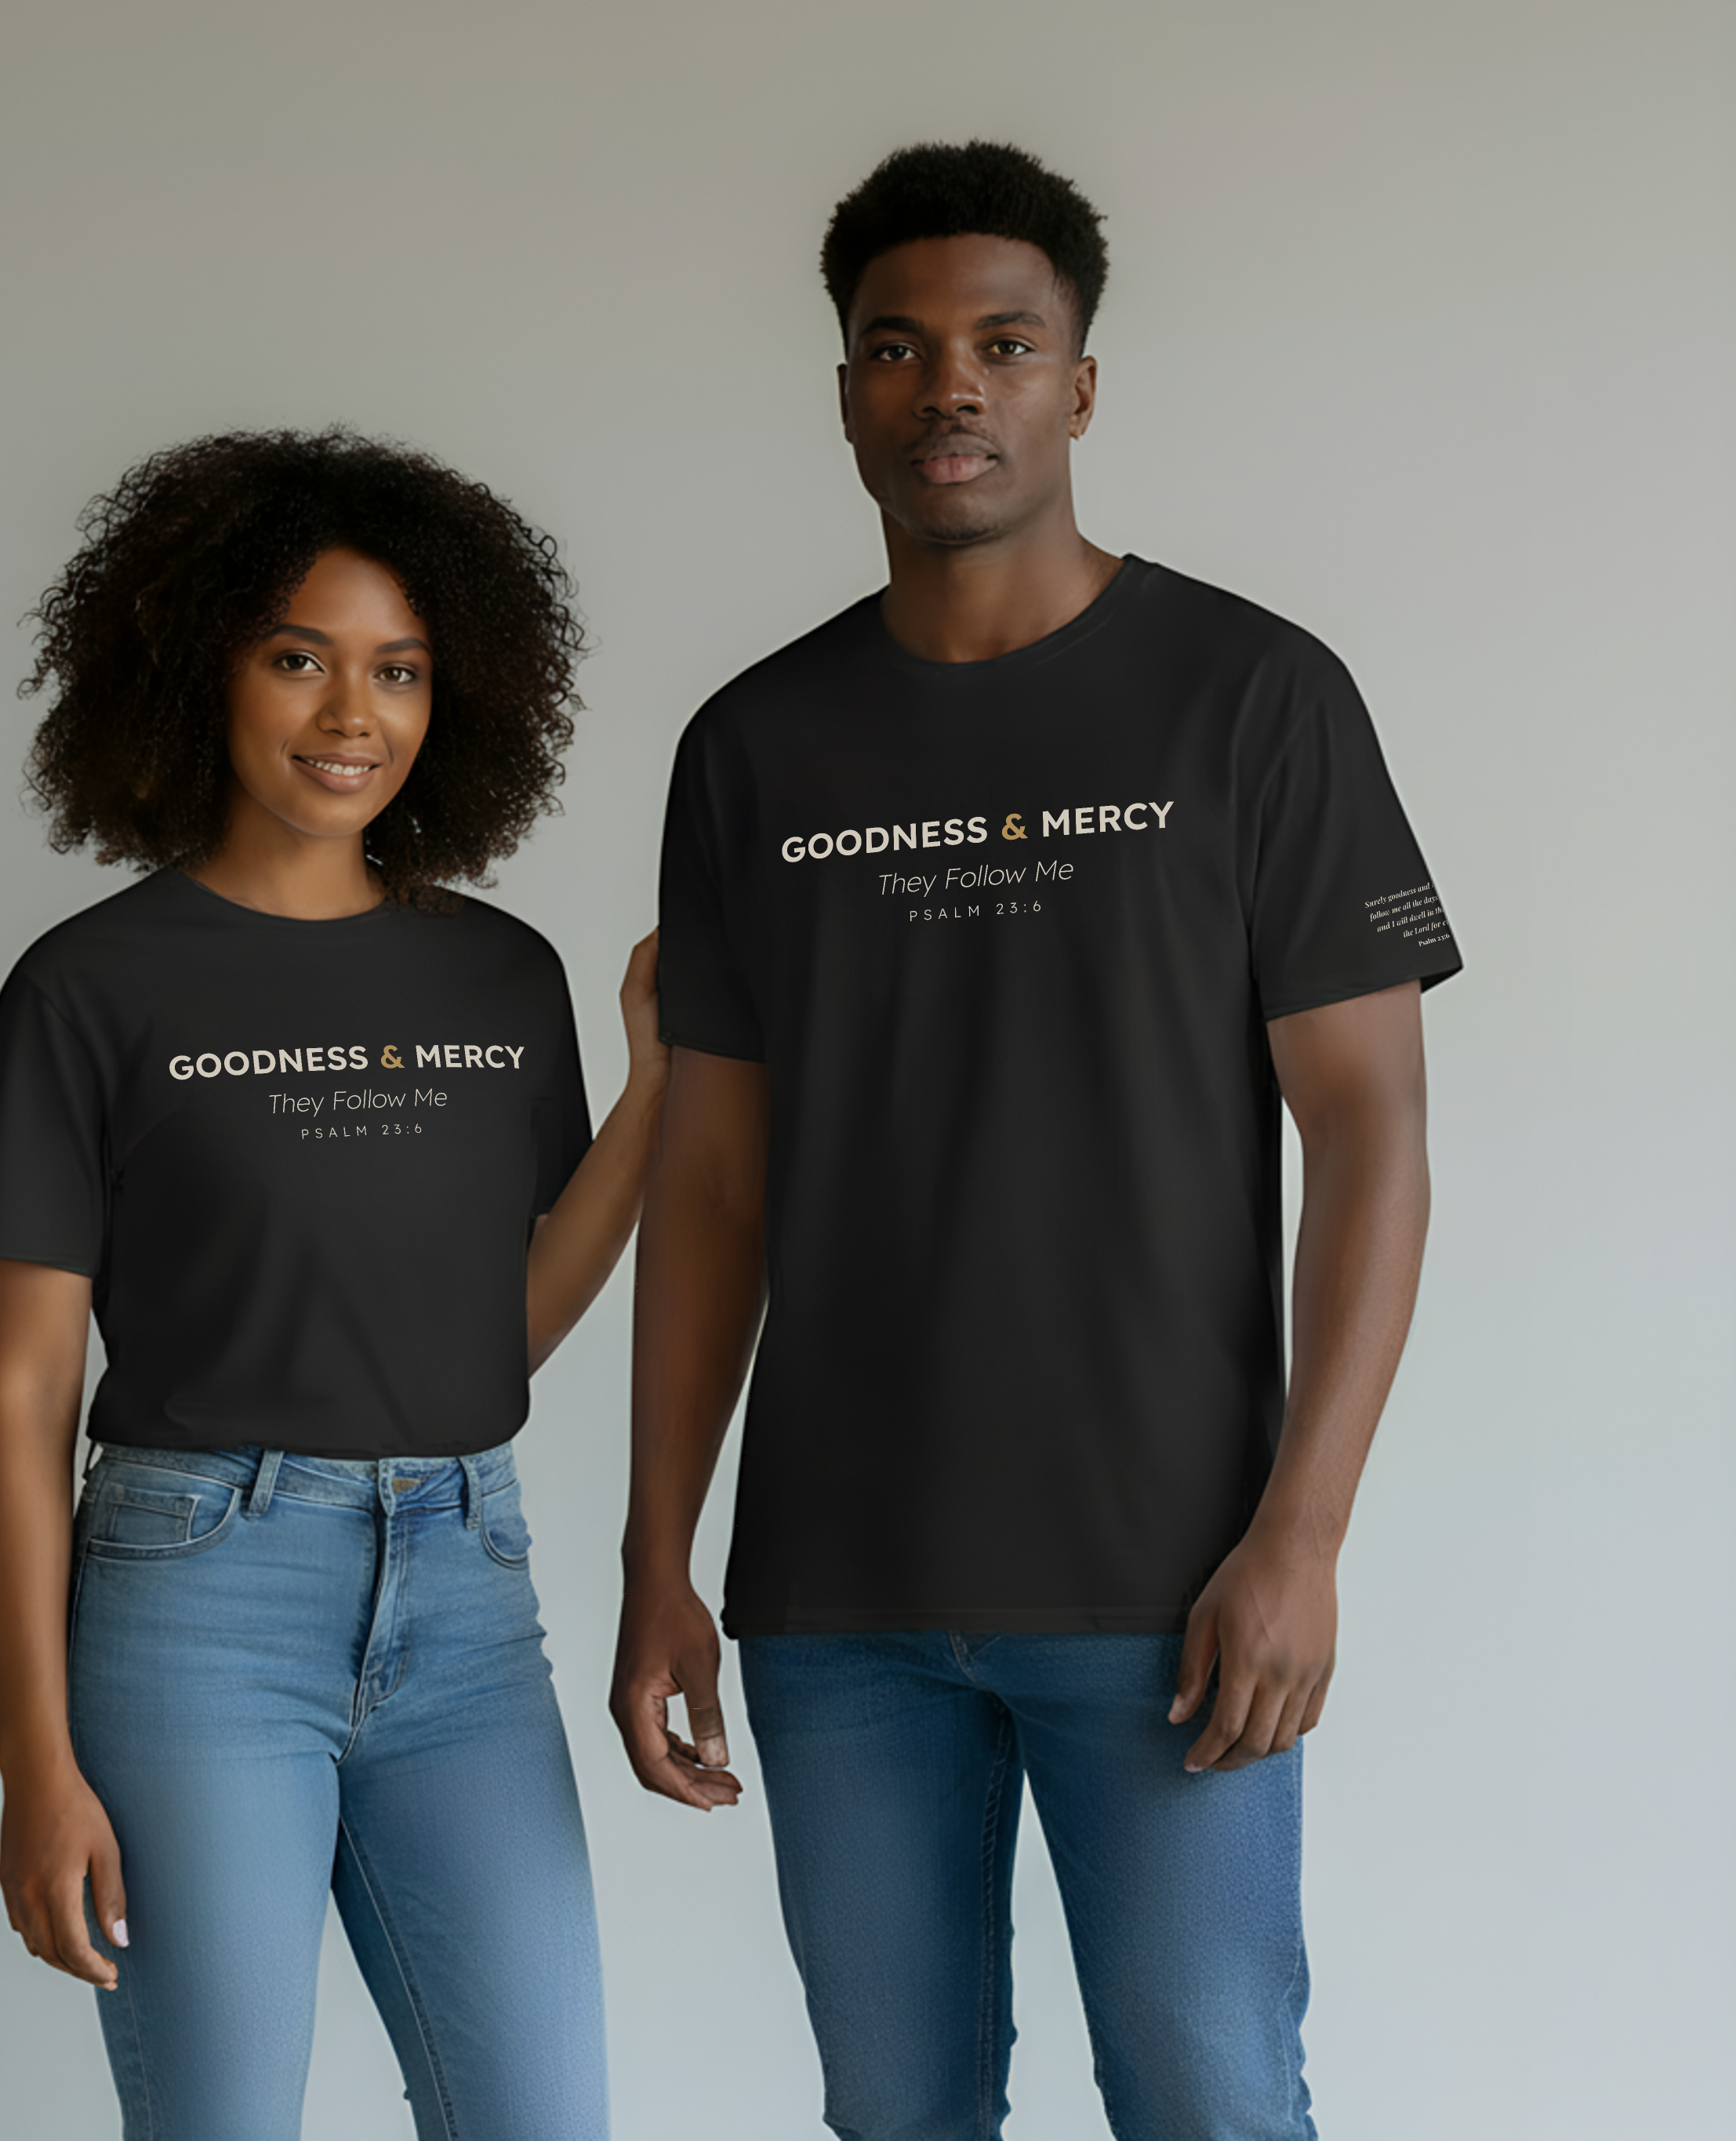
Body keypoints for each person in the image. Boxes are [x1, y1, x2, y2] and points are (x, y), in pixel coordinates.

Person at [611, 141, 1461, 2140]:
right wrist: (662, 1553)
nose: (951, 389)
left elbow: (1373, 1131)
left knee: (1213, 2098)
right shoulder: (754, 747)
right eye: (896, 350)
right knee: (898, 2119)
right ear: (845, 396)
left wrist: (1303, 1534)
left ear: (1083, 383)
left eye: (1006, 342)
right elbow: (712, 1183)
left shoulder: (1251, 698)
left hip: (1168, 1588)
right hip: (838, 1601)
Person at [0, 428, 654, 2141]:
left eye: (399, 670)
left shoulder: (500, 971)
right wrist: (32, 1763)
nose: (354, 716)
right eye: (300, 658)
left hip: (470, 1597)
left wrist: (660, 1091)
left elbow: (500, 1334)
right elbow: (24, 1399)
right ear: (201, 671)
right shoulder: (88, 989)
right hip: (201, 1600)